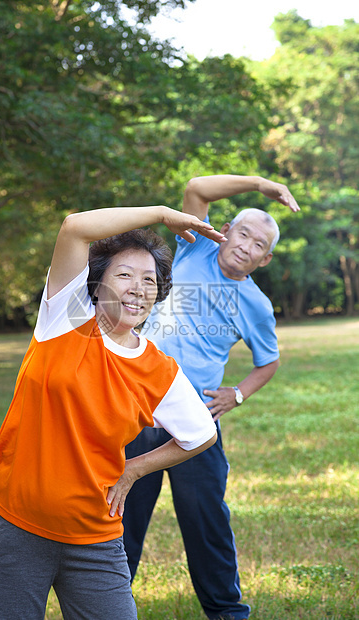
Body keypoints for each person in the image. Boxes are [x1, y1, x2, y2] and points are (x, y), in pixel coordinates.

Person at [0, 204, 224, 619]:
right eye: (124, 275)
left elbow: (200, 434)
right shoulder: (66, 319)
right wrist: (162, 213)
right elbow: (74, 227)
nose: (138, 288)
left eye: (149, 280)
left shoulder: (159, 370)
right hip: (16, 523)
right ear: (97, 281)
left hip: (95, 537)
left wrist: (135, 468)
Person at [123, 175, 300, 620]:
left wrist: (237, 394)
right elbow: (197, 188)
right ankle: (105, 606)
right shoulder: (194, 248)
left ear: (265, 258)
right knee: (120, 518)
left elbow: (269, 362)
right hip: (137, 409)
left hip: (196, 423)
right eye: (242, 232)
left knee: (208, 524)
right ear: (226, 231)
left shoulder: (257, 305)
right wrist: (262, 185)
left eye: (259, 244)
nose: (246, 245)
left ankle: (226, 612)